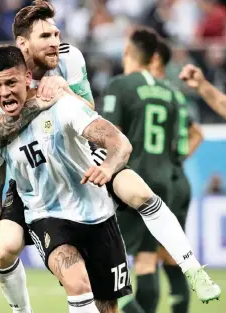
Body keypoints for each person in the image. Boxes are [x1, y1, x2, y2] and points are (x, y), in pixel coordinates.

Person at [0, 2, 219, 312]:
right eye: (45, 36)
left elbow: (88, 111)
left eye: (56, 33)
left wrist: (63, 94)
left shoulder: (69, 58)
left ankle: (193, 268)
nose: (54, 42)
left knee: (137, 191)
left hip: (79, 153)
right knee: (5, 247)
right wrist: (38, 101)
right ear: (23, 44)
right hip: (34, 175)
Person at [0, 44, 133, 313]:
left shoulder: (63, 106)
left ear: (27, 78)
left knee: (107, 307)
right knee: (77, 282)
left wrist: (108, 168)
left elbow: (119, 142)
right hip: (46, 215)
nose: (4, 93)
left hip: (97, 214)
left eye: (11, 83)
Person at [102, 27, 221, 313]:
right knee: (165, 253)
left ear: (127, 53)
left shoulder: (120, 85)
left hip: (133, 180)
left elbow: (111, 137)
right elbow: (188, 135)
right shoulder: (171, 93)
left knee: (138, 261)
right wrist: (175, 160)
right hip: (167, 176)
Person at [150, 37, 204, 313]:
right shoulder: (177, 96)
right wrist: (179, 159)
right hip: (176, 175)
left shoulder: (151, 93)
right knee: (167, 251)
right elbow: (198, 133)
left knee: (154, 253)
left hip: (160, 177)